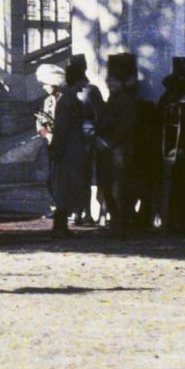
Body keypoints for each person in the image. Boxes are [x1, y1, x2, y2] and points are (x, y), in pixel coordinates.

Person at [94, 53, 143, 234]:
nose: (109, 84)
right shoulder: (112, 99)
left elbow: (126, 126)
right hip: (108, 150)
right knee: (108, 189)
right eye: (109, 81)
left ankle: (122, 225)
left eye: (113, 81)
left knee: (119, 190)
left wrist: (106, 141)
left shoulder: (126, 101)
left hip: (120, 151)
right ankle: (117, 222)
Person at [43, 61, 91, 237]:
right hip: (70, 150)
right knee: (66, 188)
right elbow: (62, 129)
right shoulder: (68, 101)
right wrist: (57, 148)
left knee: (67, 188)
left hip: (69, 148)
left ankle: (61, 226)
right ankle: (59, 227)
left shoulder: (67, 100)